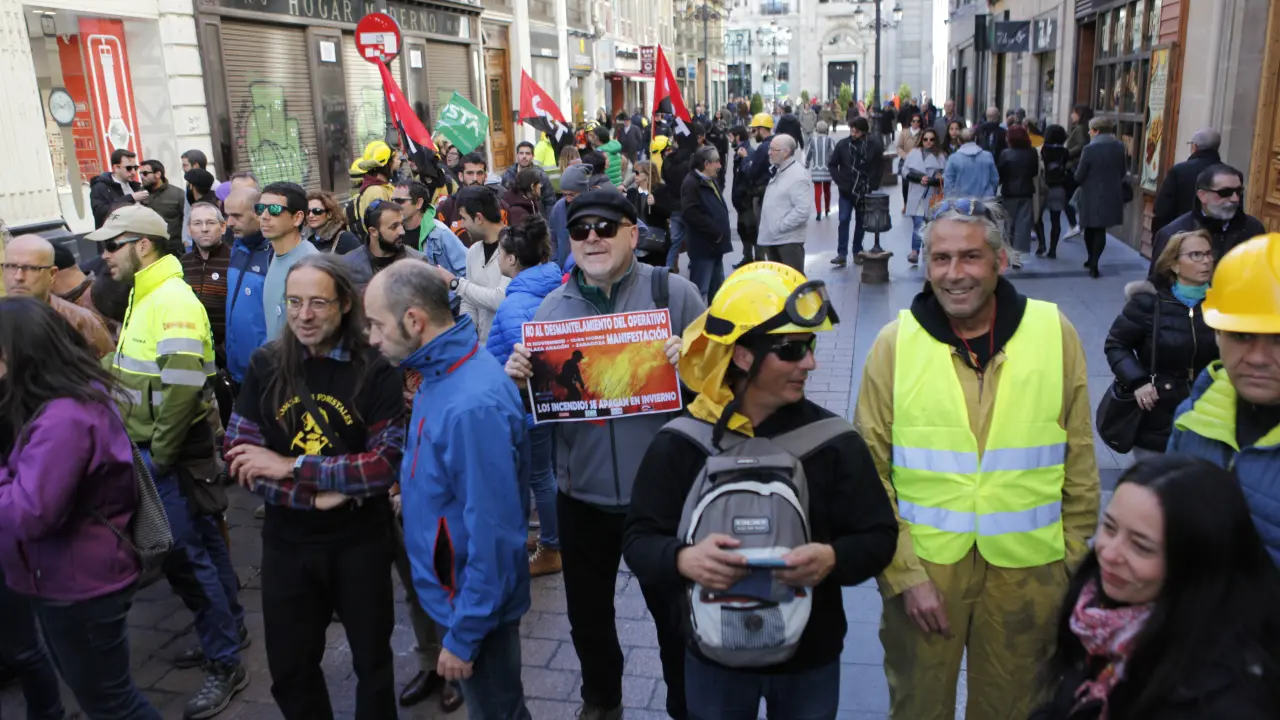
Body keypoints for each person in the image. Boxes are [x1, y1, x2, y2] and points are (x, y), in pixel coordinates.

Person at [855, 198, 1100, 720]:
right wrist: (903, 577)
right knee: (919, 707)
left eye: (970, 257)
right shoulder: (895, 345)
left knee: (1017, 709)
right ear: (926, 265)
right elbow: (870, 474)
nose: (954, 273)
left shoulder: (1054, 333)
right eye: (941, 258)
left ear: (1000, 261)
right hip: (926, 575)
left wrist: (1070, 565)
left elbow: (1079, 458)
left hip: (1030, 574)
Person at [622, 261, 898, 719]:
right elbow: (638, 539)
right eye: (792, 350)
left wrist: (833, 559)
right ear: (742, 356)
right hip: (712, 659)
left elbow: (879, 536)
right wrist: (683, 560)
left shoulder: (836, 443)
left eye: (809, 346)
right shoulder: (681, 443)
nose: (809, 362)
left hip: (810, 659)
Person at [502, 190, 706, 720]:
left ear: (632, 234)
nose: (592, 238)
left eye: (606, 227)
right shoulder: (552, 312)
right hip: (583, 496)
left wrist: (695, 368)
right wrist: (521, 384)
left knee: (675, 618)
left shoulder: (674, 295)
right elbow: (542, 412)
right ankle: (601, 700)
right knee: (588, 618)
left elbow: (723, 391)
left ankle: (685, 705)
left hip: (662, 498)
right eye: (580, 230)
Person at [224, 254, 403, 719]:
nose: (303, 315)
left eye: (318, 303)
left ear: (345, 304)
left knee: (373, 665)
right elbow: (240, 455)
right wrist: (319, 495)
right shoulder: (266, 364)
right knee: (290, 669)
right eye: (294, 302)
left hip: (360, 543)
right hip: (288, 543)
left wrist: (290, 466)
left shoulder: (375, 368)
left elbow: (383, 465)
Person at [89, 204, 249, 718]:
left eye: (112, 245)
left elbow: (181, 388)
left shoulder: (170, 298)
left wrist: (156, 456)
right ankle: (231, 633)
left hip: (170, 452)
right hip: (165, 449)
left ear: (142, 246)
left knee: (188, 559)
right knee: (204, 545)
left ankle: (225, 661)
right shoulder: (146, 291)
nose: (104, 255)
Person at [365, 259, 534, 720]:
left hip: (474, 606)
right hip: (458, 595)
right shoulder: (441, 373)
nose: (371, 338)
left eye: (377, 324)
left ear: (414, 320)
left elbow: (495, 534)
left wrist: (464, 636)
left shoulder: (471, 404)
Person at [0, 297, 163, 720]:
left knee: (113, 704)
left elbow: (29, 514)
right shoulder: (65, 399)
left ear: (19, 354)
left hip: (79, 583)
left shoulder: (63, 420)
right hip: (69, 576)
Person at [1033, 455, 1280, 720]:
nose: (1109, 553)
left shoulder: (1223, 700)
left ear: (1196, 561)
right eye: (1110, 527)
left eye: (1141, 546)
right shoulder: (1100, 616)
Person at [1167, 234, 1280, 564]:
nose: (1258, 358)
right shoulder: (1194, 416)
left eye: (1279, 339)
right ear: (1217, 333)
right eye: (1241, 335)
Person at [485, 215, 564, 577]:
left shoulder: (515, 304)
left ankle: (551, 547)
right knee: (544, 473)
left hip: (526, 406)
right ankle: (548, 536)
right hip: (543, 405)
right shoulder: (550, 287)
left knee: (538, 477)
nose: (498, 259)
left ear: (513, 258)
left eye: (500, 253)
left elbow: (528, 358)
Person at [1104, 229, 1219, 461]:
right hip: (1158, 416)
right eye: (1196, 255)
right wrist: (1138, 381)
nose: (1206, 261)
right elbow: (1116, 344)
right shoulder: (1149, 303)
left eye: (1208, 254)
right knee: (1157, 479)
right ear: (1174, 265)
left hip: (1209, 414)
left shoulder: (1222, 304)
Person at [1148, 163, 1265, 277]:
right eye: (1225, 193)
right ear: (1202, 196)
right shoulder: (1173, 233)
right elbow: (1158, 283)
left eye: (1239, 192)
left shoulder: (1253, 229)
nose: (1235, 199)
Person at [2, 234, 112, 357]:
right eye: (10, 266)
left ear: (52, 274)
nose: (18, 277)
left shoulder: (80, 322)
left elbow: (107, 366)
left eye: (31, 268)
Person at [435, 185, 510, 344]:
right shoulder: (473, 251)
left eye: (464, 219)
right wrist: (465, 337)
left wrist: (455, 284)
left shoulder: (515, 248)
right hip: (482, 348)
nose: (462, 225)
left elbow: (501, 300)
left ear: (479, 218)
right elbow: (469, 302)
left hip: (510, 348)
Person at [260, 182, 320, 340]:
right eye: (260, 208)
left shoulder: (310, 266)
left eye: (274, 209)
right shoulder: (274, 254)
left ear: (297, 218)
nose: (264, 216)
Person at [224, 187, 271, 387]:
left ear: (259, 213)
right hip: (237, 370)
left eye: (236, 216)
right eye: (227, 215)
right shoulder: (237, 248)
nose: (229, 223)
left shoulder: (274, 254)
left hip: (265, 372)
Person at [1075, 116, 1128, 278]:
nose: (1089, 133)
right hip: (1111, 193)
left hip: (1090, 193)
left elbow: (1079, 175)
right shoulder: (1119, 147)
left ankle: (1092, 259)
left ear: (1097, 131)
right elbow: (1122, 171)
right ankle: (1094, 262)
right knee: (1101, 229)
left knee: (1089, 227)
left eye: (1091, 130)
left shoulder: (1089, 149)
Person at [827, 117, 884, 266]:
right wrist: (840, 182)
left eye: (857, 131)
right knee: (843, 219)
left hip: (864, 190)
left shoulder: (873, 145)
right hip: (846, 190)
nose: (853, 133)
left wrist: (873, 184)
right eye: (852, 130)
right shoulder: (843, 145)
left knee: (861, 222)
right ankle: (842, 254)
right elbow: (832, 164)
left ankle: (857, 251)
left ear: (864, 132)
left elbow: (879, 165)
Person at [342, 199, 427, 293]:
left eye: (401, 224)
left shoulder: (418, 263)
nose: (402, 231)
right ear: (373, 231)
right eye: (394, 227)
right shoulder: (348, 266)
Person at [681, 145, 732, 301]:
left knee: (717, 290)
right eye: (717, 162)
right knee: (700, 290)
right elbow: (690, 213)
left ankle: (714, 315)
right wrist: (714, 230)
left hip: (715, 247)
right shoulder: (691, 183)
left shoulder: (710, 180)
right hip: (704, 248)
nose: (720, 166)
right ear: (706, 164)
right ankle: (696, 316)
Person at [756, 134, 813, 273]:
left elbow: (802, 211)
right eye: (769, 149)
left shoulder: (797, 175)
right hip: (775, 239)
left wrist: (779, 226)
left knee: (792, 281)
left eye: (773, 149)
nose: (769, 152)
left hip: (787, 241)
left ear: (786, 152)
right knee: (778, 282)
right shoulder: (779, 169)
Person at [182, 202, 231, 357]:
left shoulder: (235, 261)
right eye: (197, 223)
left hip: (227, 352)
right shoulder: (182, 264)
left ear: (223, 227)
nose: (204, 228)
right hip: (190, 349)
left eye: (210, 222)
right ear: (189, 230)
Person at [1152, 127, 1223, 235]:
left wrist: (1159, 237)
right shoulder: (1230, 175)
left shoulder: (1179, 171)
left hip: (1183, 234)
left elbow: (1162, 210)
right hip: (1217, 236)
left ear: (1195, 147)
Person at [395, 179, 468, 283]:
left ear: (419, 203)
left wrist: (451, 288)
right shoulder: (394, 233)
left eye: (399, 201)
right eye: (392, 200)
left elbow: (466, 270)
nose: (393, 205)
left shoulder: (440, 233)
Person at [901, 128, 946, 265]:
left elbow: (946, 176)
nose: (928, 142)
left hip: (932, 195)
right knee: (918, 223)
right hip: (916, 193)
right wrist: (918, 178)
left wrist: (933, 180)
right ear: (921, 139)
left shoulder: (941, 156)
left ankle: (927, 250)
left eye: (931, 139)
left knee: (929, 224)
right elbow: (904, 171)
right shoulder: (914, 153)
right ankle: (915, 252)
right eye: (925, 139)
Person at [998, 125, 1041, 268]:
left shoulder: (1005, 154)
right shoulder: (1032, 152)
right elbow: (1034, 172)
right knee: (1023, 226)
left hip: (1009, 192)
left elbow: (1001, 174)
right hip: (1026, 192)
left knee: (1008, 225)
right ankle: (1019, 257)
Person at [436, 153, 497, 247]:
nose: (475, 178)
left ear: (485, 177)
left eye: (479, 173)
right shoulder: (446, 208)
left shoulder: (498, 205)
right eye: (470, 173)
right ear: (460, 176)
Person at [1036, 125, 1073, 258]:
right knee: (1056, 220)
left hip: (1042, 188)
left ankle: (1042, 244)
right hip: (1059, 188)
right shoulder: (1065, 152)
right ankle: (1053, 249)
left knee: (1037, 218)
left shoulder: (1041, 150)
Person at [90, 148, 145, 228]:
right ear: (116, 168)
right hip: (113, 233)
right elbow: (101, 214)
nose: (133, 172)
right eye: (129, 168)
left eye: (135, 168)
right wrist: (130, 198)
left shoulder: (136, 186)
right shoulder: (100, 187)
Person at [551, 164, 592, 270]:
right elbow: (553, 238)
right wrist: (555, 262)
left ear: (583, 191)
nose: (568, 199)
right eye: (564, 195)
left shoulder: (595, 208)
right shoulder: (558, 208)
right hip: (561, 270)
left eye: (572, 194)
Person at [139, 159, 187, 248]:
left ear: (158, 174)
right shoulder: (139, 195)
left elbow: (187, 220)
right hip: (149, 248)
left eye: (145, 173)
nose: (142, 177)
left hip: (174, 247)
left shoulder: (178, 194)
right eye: (140, 174)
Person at [729, 127, 759, 268]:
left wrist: (744, 196)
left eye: (731, 136)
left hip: (746, 202)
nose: (730, 140)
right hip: (741, 202)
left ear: (738, 137)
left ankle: (757, 260)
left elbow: (749, 175)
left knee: (751, 231)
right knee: (743, 230)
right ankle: (747, 257)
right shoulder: (739, 152)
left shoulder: (748, 153)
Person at [502, 141, 556, 216]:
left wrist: (547, 220)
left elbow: (550, 201)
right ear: (517, 155)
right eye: (521, 153)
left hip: (536, 217)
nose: (524, 156)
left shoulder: (541, 175)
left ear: (533, 156)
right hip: (514, 218)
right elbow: (503, 200)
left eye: (527, 153)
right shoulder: (508, 175)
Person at [943, 127, 999, 200]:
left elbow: (948, 184)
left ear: (959, 140)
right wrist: (991, 193)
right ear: (975, 139)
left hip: (961, 202)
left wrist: (951, 200)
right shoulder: (987, 156)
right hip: (985, 200)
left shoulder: (953, 158)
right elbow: (994, 179)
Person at [1063, 105, 1093, 238]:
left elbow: (1082, 146)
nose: (1071, 115)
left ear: (1079, 114)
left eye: (1074, 112)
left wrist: (1067, 153)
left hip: (1073, 167)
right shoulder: (1083, 128)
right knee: (1077, 197)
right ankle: (1080, 224)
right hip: (1077, 166)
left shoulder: (1080, 129)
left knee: (1067, 198)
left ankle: (1074, 225)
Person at [353, 140, 400, 222]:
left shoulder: (381, 187)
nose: (394, 165)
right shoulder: (375, 191)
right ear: (385, 165)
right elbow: (384, 224)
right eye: (391, 161)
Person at [806, 120, 835, 220]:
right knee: (827, 190)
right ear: (826, 129)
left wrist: (807, 164)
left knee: (817, 191)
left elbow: (808, 154)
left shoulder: (812, 141)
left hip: (816, 169)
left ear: (817, 130)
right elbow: (833, 152)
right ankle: (827, 209)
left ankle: (818, 212)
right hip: (827, 169)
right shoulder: (830, 140)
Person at [896, 113, 925, 211]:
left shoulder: (923, 133)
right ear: (910, 122)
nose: (915, 123)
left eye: (918, 121)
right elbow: (899, 147)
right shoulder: (904, 133)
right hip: (905, 161)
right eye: (913, 121)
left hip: (918, 162)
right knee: (905, 184)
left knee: (917, 183)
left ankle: (916, 204)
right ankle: (905, 204)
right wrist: (905, 156)